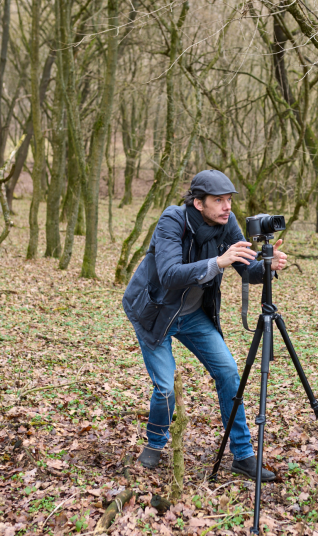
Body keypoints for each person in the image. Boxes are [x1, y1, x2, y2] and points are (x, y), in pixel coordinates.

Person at [122, 170, 287, 481]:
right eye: (219, 200)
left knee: (228, 372)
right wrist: (218, 262)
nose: (227, 206)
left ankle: (243, 455)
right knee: (166, 387)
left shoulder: (227, 222)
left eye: (229, 200)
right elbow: (169, 274)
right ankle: (155, 443)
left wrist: (268, 265)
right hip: (155, 312)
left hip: (194, 315)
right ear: (198, 203)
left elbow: (246, 270)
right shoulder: (172, 221)